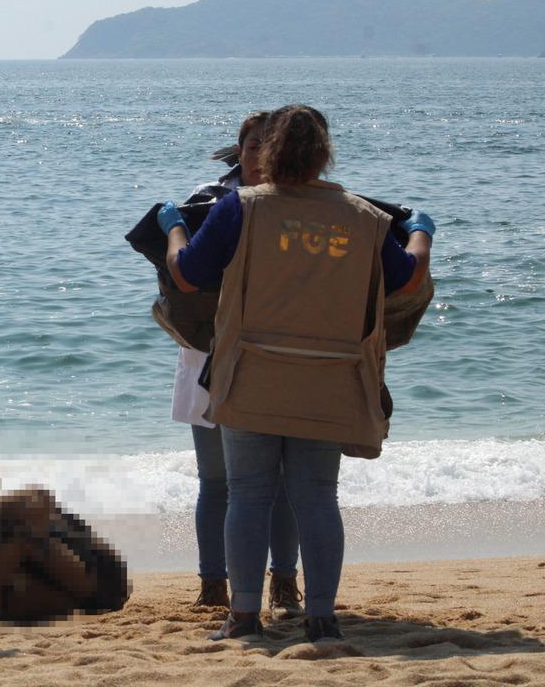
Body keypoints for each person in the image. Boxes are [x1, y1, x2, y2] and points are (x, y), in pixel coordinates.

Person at [157, 105, 434, 643]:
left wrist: (172, 230)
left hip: (252, 373)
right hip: (330, 378)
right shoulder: (364, 218)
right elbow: (408, 280)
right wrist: (421, 232)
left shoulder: (241, 207)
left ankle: (241, 617)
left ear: (269, 151)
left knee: (248, 493)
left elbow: (187, 277)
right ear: (324, 153)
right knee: (316, 496)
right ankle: (322, 617)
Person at [173, 111, 302, 617]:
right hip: (209, 353)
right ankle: (212, 583)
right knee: (217, 479)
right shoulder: (209, 201)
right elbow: (181, 278)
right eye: (250, 146)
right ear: (239, 149)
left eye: (268, 148)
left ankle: (285, 583)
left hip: (278, 354)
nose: (258, 157)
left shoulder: (304, 207)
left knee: (285, 481)